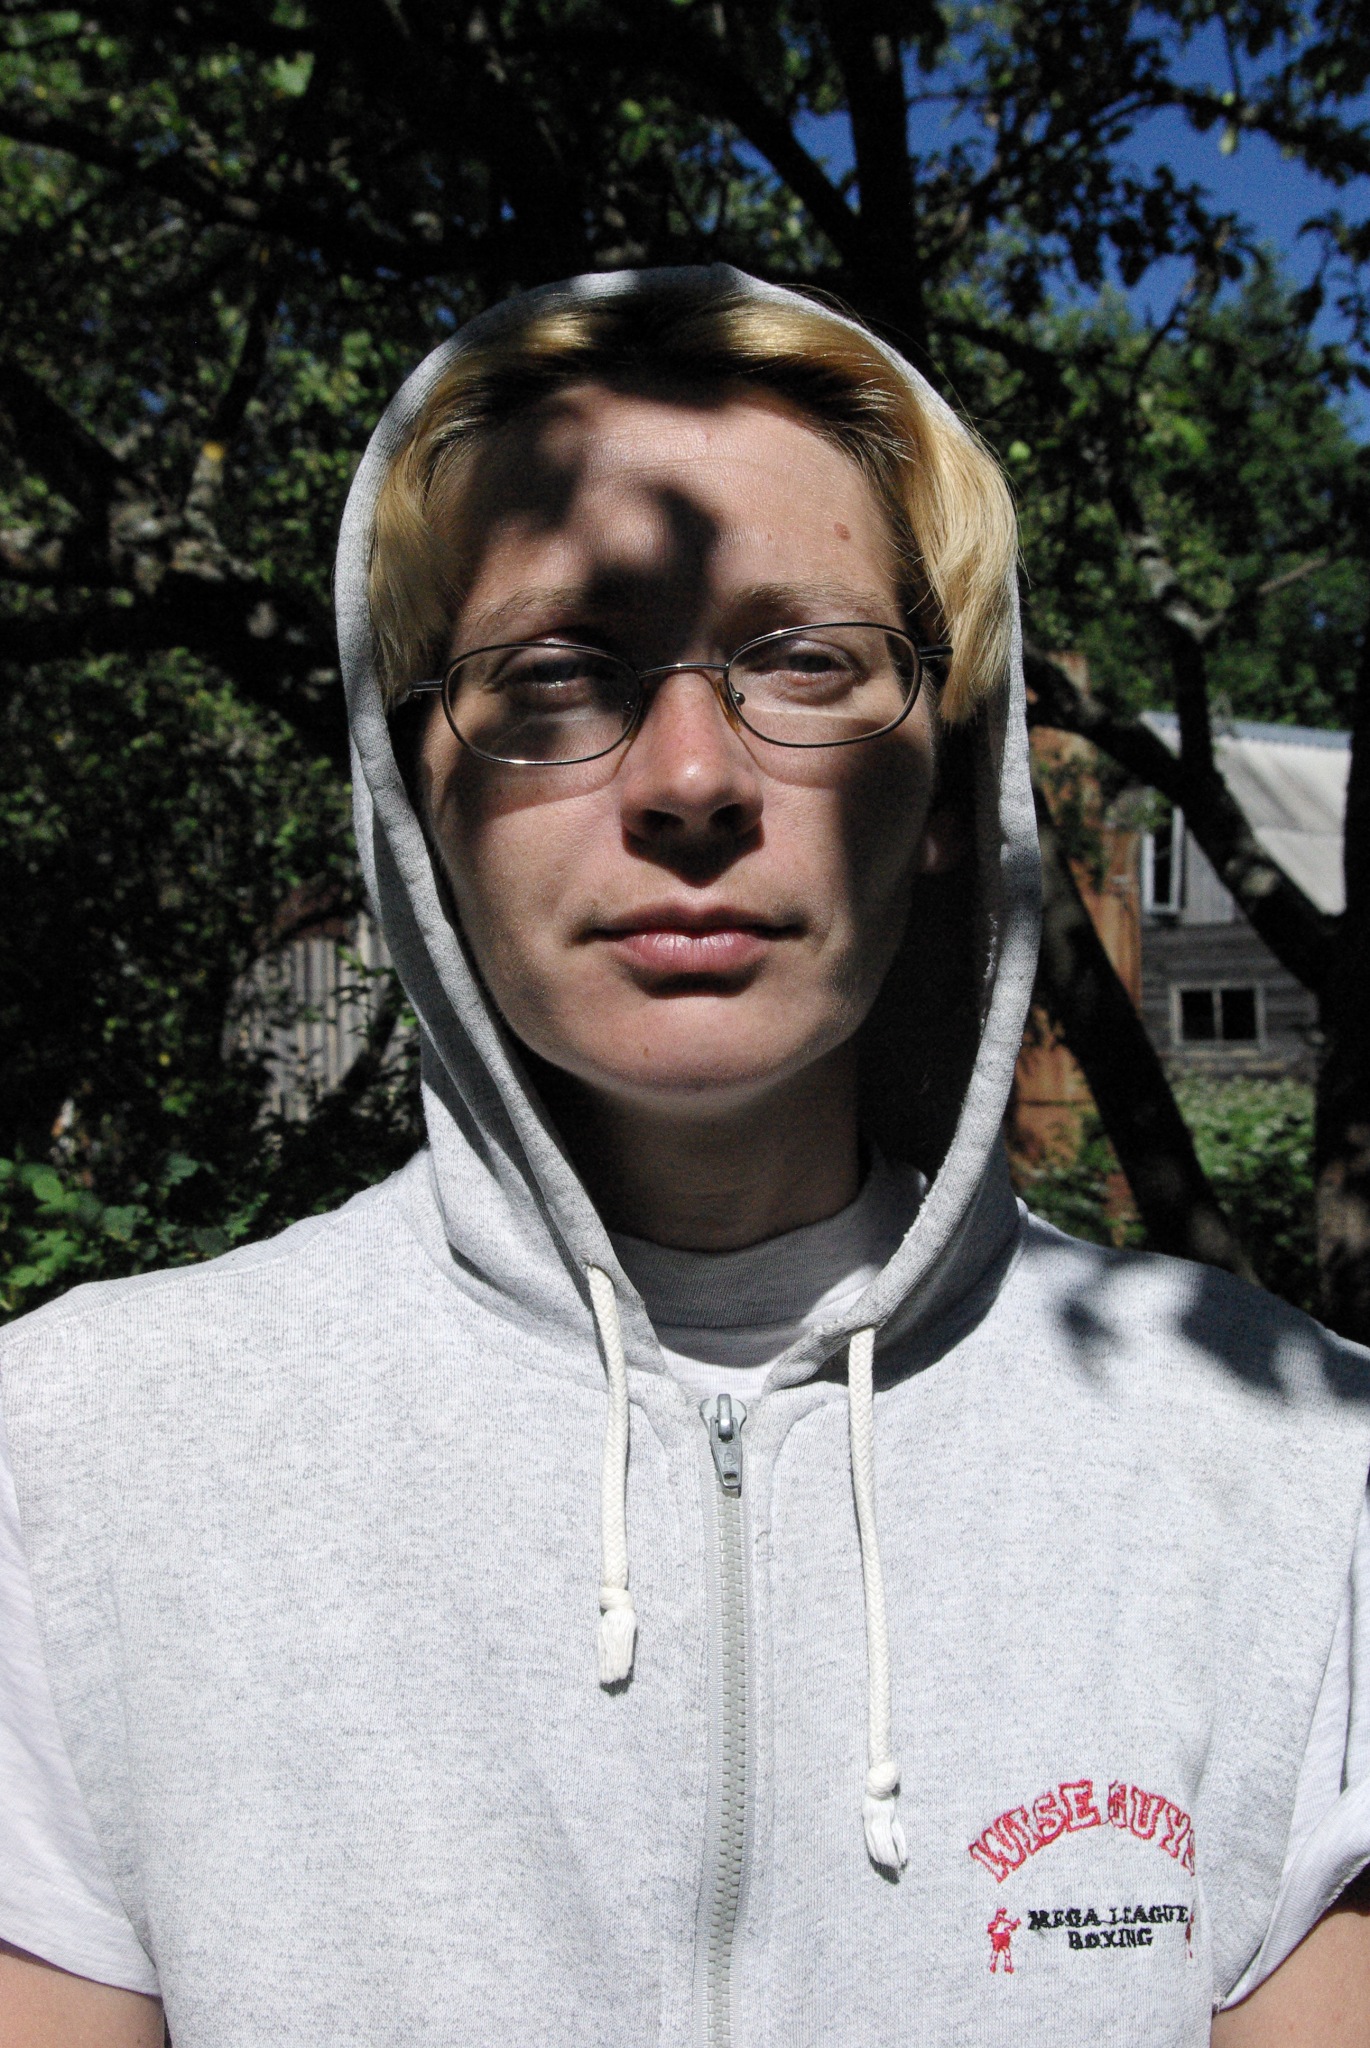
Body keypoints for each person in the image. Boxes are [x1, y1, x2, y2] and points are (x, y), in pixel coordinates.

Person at [2, 266, 1368, 2048]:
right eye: (556, 674)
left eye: (805, 661)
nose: (691, 778)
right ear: (412, 791)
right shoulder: (78, 1461)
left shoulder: (1294, 1475)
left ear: (945, 783)